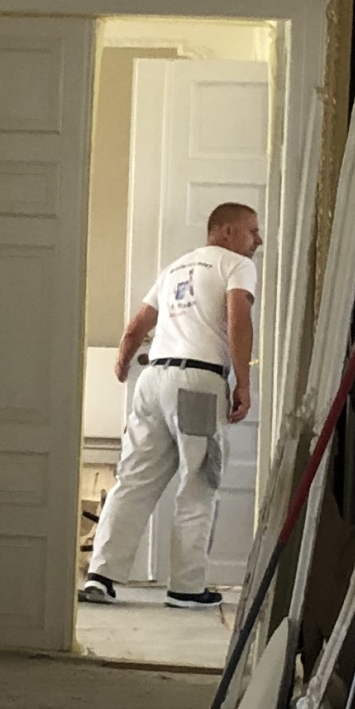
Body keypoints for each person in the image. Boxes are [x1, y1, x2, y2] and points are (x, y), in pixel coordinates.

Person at [79, 200, 261, 610]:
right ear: (227, 231)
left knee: (134, 479)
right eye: (252, 230)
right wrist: (244, 383)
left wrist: (123, 363)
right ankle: (186, 588)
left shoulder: (175, 268)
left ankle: (100, 577)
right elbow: (239, 320)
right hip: (198, 383)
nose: (258, 240)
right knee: (198, 483)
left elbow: (137, 326)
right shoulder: (236, 265)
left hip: (153, 381)